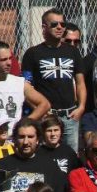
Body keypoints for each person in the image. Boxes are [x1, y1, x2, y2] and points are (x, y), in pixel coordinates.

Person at [21, 9, 86, 150]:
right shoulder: (32, 53)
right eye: (54, 24)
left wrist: (81, 107)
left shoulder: (73, 51)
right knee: (44, 155)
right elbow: (26, 87)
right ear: (44, 27)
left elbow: (80, 82)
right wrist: (39, 110)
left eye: (62, 24)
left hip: (70, 116)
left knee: (71, 157)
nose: (60, 27)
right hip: (46, 117)